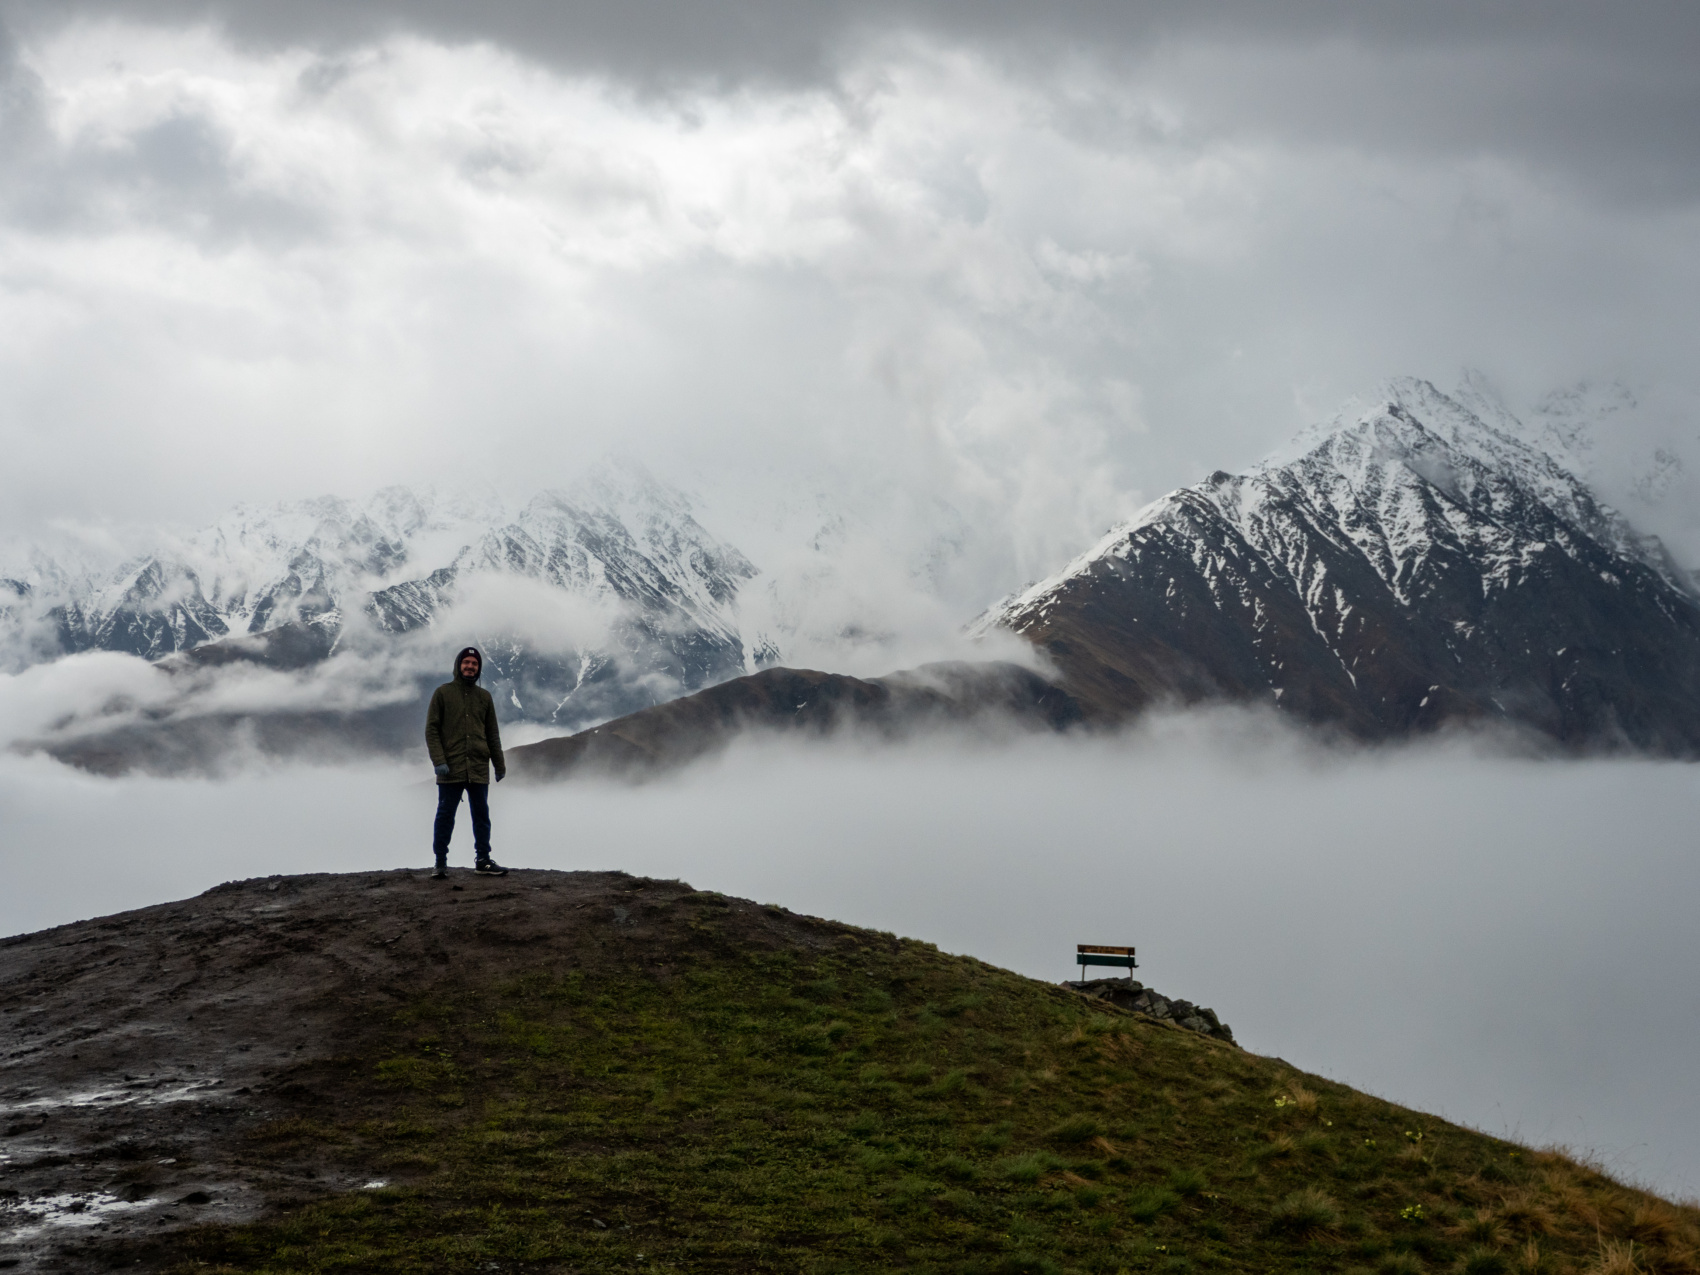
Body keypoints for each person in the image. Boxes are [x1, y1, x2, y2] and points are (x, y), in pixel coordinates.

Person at [424, 646, 508, 878]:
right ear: (458, 665)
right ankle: (440, 863)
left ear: (478, 668)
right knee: (445, 816)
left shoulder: (485, 697)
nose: (470, 667)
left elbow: (492, 734)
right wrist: (439, 760)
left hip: (478, 766)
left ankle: (483, 860)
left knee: (481, 815)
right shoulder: (443, 693)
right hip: (450, 767)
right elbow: (431, 730)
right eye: (466, 663)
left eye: (474, 664)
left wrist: (499, 764)